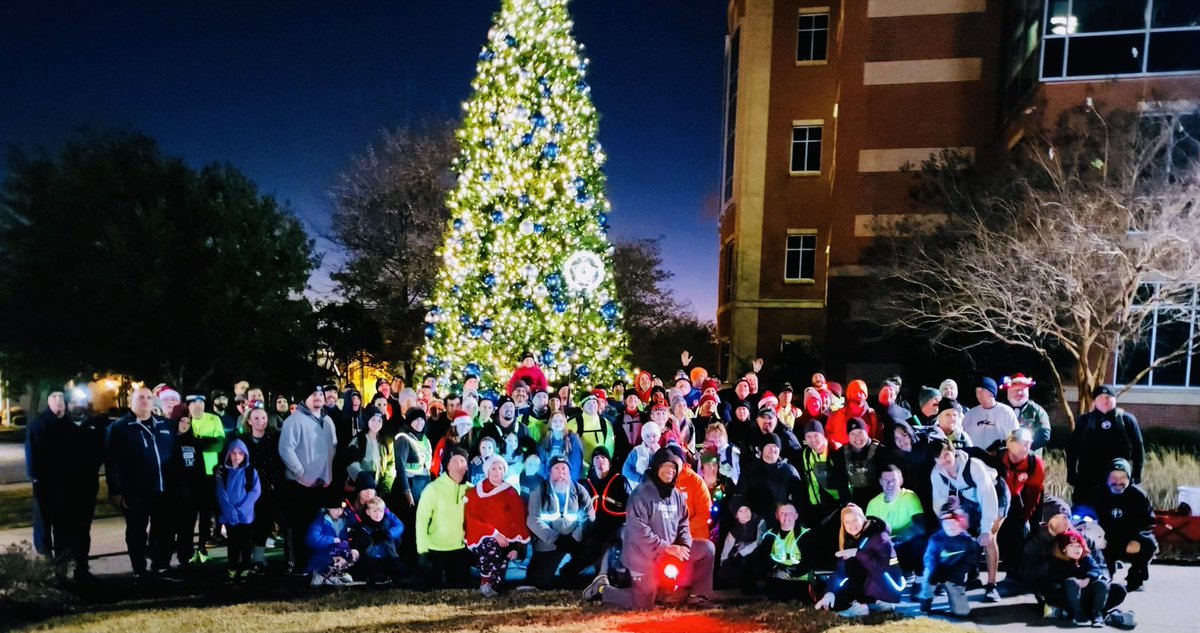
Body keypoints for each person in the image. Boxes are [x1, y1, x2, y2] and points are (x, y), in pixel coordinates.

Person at [591, 448, 717, 609]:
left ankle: (698, 595)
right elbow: (638, 530)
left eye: (673, 468)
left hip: (670, 550)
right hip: (643, 556)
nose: (669, 471)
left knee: (707, 548)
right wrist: (667, 548)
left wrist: (684, 545)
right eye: (665, 466)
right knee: (643, 604)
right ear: (655, 467)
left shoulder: (676, 495)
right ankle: (603, 589)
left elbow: (683, 523)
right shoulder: (640, 494)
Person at [105, 387, 176, 580]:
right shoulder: (120, 428)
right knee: (137, 531)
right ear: (130, 403)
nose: (145, 401)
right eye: (140, 398)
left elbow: (174, 456)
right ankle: (139, 569)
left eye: (148, 397)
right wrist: (116, 490)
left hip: (164, 489)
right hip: (136, 491)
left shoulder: (165, 424)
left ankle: (161, 565)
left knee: (164, 529)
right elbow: (112, 462)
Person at [36, 388, 105, 581]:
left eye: (81, 402)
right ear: (68, 405)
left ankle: (81, 569)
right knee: (62, 531)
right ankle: (61, 571)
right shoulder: (56, 428)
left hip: (87, 488)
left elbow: (100, 453)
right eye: (73, 402)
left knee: (83, 530)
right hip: (61, 490)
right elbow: (47, 458)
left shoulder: (94, 427)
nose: (78, 405)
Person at [930, 440, 1004, 601]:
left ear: (953, 452)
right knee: (955, 534)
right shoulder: (936, 473)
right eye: (939, 458)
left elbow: (988, 498)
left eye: (946, 455)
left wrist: (986, 528)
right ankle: (955, 578)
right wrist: (950, 515)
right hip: (969, 499)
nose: (944, 460)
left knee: (989, 537)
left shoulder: (974, 466)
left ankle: (991, 586)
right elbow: (939, 503)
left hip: (996, 495)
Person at [278, 385, 338, 574]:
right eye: (313, 394)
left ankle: (315, 565)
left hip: (321, 483)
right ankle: (298, 566)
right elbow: (286, 449)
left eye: (320, 394)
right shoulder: (294, 421)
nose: (318, 397)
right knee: (299, 527)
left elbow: (332, 447)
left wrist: (327, 473)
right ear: (305, 398)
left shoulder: (328, 421)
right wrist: (301, 472)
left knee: (317, 527)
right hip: (299, 484)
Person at [814, 504, 905, 617]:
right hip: (868, 584)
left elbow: (883, 569)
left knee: (853, 562)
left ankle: (876, 603)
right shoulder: (851, 540)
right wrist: (830, 592)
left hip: (888, 587)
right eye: (847, 522)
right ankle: (868, 605)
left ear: (863, 519)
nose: (851, 525)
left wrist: (858, 554)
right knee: (836, 603)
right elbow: (841, 570)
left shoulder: (879, 536)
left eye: (855, 520)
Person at [1067, 386, 1145, 508]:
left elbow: (1138, 447)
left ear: (1115, 399)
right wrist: (1071, 473)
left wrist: (1137, 475)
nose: (1105, 400)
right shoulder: (1085, 420)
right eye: (1101, 397)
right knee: (1083, 517)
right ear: (1094, 401)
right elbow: (1072, 448)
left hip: (1117, 479)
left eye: (1109, 397)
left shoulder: (1126, 420)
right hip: (1088, 480)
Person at [466, 454, 530, 596]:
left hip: (507, 542)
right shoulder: (476, 493)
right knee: (491, 547)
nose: (497, 472)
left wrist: (516, 548)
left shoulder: (511, 492)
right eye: (493, 468)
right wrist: (494, 533)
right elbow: (473, 520)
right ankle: (485, 583)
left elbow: (517, 521)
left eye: (500, 468)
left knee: (499, 583)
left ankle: (493, 583)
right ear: (487, 471)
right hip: (483, 539)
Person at [526, 455, 591, 589]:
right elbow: (533, 519)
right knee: (538, 581)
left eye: (564, 468)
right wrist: (555, 539)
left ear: (569, 472)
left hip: (574, 542)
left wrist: (574, 538)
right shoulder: (540, 489)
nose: (561, 472)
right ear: (549, 471)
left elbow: (589, 515)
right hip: (549, 543)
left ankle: (569, 573)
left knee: (594, 548)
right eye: (556, 468)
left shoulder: (579, 490)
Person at [1093, 458, 1157, 592]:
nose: (1118, 482)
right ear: (1107, 478)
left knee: (1149, 543)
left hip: (1129, 541)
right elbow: (1085, 518)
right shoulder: (1097, 494)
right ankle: (1101, 576)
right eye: (1113, 477)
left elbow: (1148, 522)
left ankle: (1136, 578)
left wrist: (1138, 539)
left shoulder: (1138, 496)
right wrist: (1094, 536)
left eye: (1122, 477)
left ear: (1129, 478)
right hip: (1105, 541)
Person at [565, 447, 628, 579]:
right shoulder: (587, 483)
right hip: (593, 527)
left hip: (614, 526)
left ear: (609, 461)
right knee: (574, 563)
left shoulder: (620, 481)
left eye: (604, 458)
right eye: (597, 458)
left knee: (603, 553)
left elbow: (629, 505)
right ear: (593, 462)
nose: (600, 461)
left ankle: (609, 572)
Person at [414, 445, 472, 588]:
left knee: (461, 587)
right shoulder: (433, 489)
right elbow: (421, 520)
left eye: (463, 461)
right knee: (428, 588)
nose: (460, 465)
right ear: (447, 465)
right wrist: (422, 550)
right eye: (455, 461)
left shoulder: (472, 490)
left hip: (461, 549)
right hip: (435, 549)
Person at [238, 403, 284, 571]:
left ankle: (260, 557)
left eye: (263, 418)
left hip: (272, 487)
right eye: (256, 418)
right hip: (249, 489)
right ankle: (248, 559)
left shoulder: (274, 438)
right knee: (252, 524)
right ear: (249, 421)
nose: (261, 421)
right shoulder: (242, 441)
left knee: (267, 521)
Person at [997, 427, 1045, 579]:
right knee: (1001, 534)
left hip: (1021, 498)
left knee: (1022, 532)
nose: (1026, 448)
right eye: (1022, 443)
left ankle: (1018, 572)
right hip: (1000, 498)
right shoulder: (998, 457)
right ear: (1010, 444)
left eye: (1028, 444)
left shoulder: (1034, 462)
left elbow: (1035, 492)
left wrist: (1026, 516)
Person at [26, 390, 68, 558]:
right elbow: (31, 451)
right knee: (43, 519)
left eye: (61, 397)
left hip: (65, 481)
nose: (58, 400)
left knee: (63, 519)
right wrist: (35, 476)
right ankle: (45, 555)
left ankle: (62, 554)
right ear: (48, 401)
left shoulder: (68, 423)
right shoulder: (39, 424)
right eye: (54, 397)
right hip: (44, 481)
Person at [918, 503, 978, 617]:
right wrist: (935, 572)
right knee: (927, 576)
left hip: (955, 577)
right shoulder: (935, 539)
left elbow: (968, 564)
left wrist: (952, 574)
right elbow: (929, 559)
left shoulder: (969, 542)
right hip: (936, 573)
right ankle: (926, 600)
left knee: (962, 612)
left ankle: (954, 601)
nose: (950, 526)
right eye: (947, 522)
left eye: (954, 522)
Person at [866, 466, 927, 577]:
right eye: (886, 480)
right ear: (880, 482)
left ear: (901, 481)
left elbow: (920, 527)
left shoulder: (909, 497)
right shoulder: (873, 503)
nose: (890, 484)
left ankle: (920, 578)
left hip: (905, 544)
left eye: (893, 480)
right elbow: (869, 532)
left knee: (921, 541)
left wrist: (897, 539)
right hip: (885, 547)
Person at [185, 394, 225, 560]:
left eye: (201, 402)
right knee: (188, 516)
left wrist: (197, 442)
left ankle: (202, 547)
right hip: (190, 476)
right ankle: (186, 550)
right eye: (194, 403)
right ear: (188, 406)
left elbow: (219, 443)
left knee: (206, 513)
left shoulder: (213, 419)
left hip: (209, 473)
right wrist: (205, 442)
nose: (198, 405)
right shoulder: (185, 421)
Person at [167, 405, 207, 569]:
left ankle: (186, 559)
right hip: (170, 492)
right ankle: (163, 560)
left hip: (191, 492)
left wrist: (200, 489)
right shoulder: (166, 440)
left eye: (188, 421)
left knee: (187, 528)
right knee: (169, 528)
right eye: (182, 421)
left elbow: (200, 467)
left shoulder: (194, 442)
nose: (185, 424)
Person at [215, 439, 261, 581]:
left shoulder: (250, 471)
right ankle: (232, 568)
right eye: (233, 453)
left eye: (240, 453)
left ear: (245, 455)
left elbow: (255, 491)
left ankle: (246, 567)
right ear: (229, 454)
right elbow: (221, 493)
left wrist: (242, 509)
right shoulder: (222, 472)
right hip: (230, 516)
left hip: (246, 516)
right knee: (233, 544)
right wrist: (230, 512)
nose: (236, 456)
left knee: (246, 543)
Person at [750, 503, 815, 601]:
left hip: (800, 579)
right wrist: (776, 571)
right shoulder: (769, 535)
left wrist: (789, 572)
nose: (786, 516)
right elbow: (763, 559)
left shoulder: (805, 535)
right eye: (783, 513)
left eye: (790, 513)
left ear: (796, 515)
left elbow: (809, 561)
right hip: (777, 578)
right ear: (777, 515)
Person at [1049, 530, 1112, 627]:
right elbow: (1057, 578)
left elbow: (1096, 569)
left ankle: (1097, 614)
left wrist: (1088, 578)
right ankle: (1078, 614)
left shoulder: (1086, 558)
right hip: (1069, 595)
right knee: (1071, 582)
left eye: (1079, 546)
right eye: (1071, 546)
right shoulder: (1059, 562)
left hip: (1087, 592)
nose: (1076, 549)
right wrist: (1076, 581)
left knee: (1103, 584)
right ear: (1064, 549)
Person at [830, 418, 891, 508]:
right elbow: (841, 482)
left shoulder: (880, 450)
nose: (857, 437)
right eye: (853, 434)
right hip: (856, 498)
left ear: (867, 432)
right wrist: (847, 504)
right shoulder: (841, 454)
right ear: (848, 436)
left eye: (860, 432)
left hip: (880, 497)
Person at [350, 496, 406, 585]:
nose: (378, 514)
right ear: (368, 512)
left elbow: (399, 526)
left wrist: (388, 534)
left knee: (400, 571)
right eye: (374, 511)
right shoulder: (364, 526)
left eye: (380, 511)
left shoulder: (387, 524)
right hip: (372, 559)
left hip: (388, 557)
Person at [306, 492, 359, 586]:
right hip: (322, 556)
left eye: (341, 509)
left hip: (338, 553)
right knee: (335, 556)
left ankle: (336, 574)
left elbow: (356, 526)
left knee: (354, 553)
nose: (339, 512)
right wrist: (333, 540)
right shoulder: (320, 521)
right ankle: (323, 574)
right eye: (336, 509)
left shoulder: (344, 521)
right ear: (328, 508)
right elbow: (312, 539)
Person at [796, 419, 841, 528]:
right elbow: (810, 479)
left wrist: (845, 501)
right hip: (824, 499)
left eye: (816, 435)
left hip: (842, 498)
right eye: (808, 437)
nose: (813, 440)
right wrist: (815, 504)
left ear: (822, 435)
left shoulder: (836, 449)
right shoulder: (807, 454)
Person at [343, 407, 396, 498]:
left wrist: (385, 486)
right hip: (361, 486)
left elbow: (390, 464)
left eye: (379, 420)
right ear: (367, 420)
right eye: (373, 420)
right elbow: (351, 462)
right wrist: (363, 480)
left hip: (378, 485)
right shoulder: (359, 440)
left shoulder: (384, 442)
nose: (376, 423)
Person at [962, 377, 1019, 453]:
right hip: (974, 459)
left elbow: (1015, 438)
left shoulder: (1006, 412)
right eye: (977, 391)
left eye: (982, 391)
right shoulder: (970, 414)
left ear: (992, 392)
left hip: (997, 458)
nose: (979, 394)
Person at [715, 501, 761, 591]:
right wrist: (723, 562)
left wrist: (742, 552)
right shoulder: (734, 530)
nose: (745, 513)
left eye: (747, 509)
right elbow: (727, 547)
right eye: (740, 511)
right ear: (736, 515)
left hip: (753, 555)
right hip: (738, 558)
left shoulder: (759, 522)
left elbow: (759, 542)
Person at [1002, 374, 1051, 453]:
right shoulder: (1002, 410)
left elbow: (1044, 435)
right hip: (1006, 459)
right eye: (1015, 390)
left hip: (1030, 459)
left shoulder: (1037, 411)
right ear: (1008, 391)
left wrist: (1024, 448)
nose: (1019, 393)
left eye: (1022, 390)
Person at [825, 380, 881, 445]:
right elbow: (828, 433)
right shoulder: (836, 415)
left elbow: (877, 441)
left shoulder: (873, 417)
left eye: (861, 392)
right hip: (842, 453)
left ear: (866, 395)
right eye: (855, 392)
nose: (858, 395)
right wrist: (834, 444)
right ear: (849, 394)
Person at [537, 411, 584, 481]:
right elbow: (541, 463)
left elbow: (576, 464)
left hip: (568, 481)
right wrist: (546, 480)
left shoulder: (573, 438)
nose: (558, 423)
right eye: (555, 421)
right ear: (550, 423)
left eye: (561, 421)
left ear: (564, 423)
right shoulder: (544, 440)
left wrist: (571, 482)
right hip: (549, 481)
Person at [573, 395, 614, 472]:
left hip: (602, 469)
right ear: (582, 407)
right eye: (588, 403)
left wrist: (606, 463)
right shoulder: (574, 423)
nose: (592, 405)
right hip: (581, 468)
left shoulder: (606, 423)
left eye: (594, 402)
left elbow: (610, 445)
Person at [622, 421, 662, 490]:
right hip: (637, 490)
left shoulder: (662, 452)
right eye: (648, 436)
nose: (651, 439)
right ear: (643, 436)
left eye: (654, 436)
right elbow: (625, 470)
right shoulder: (637, 451)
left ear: (658, 437)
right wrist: (640, 478)